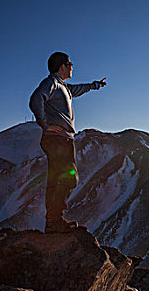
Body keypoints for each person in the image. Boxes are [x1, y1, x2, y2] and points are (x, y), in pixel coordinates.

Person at [29, 52, 107, 233]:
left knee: (55, 180)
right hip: (57, 139)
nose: (72, 67)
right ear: (62, 66)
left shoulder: (63, 87)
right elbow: (35, 100)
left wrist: (95, 85)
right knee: (70, 178)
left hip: (60, 139)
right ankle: (55, 220)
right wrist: (45, 125)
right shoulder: (51, 83)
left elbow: (78, 89)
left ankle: (52, 223)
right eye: (70, 64)